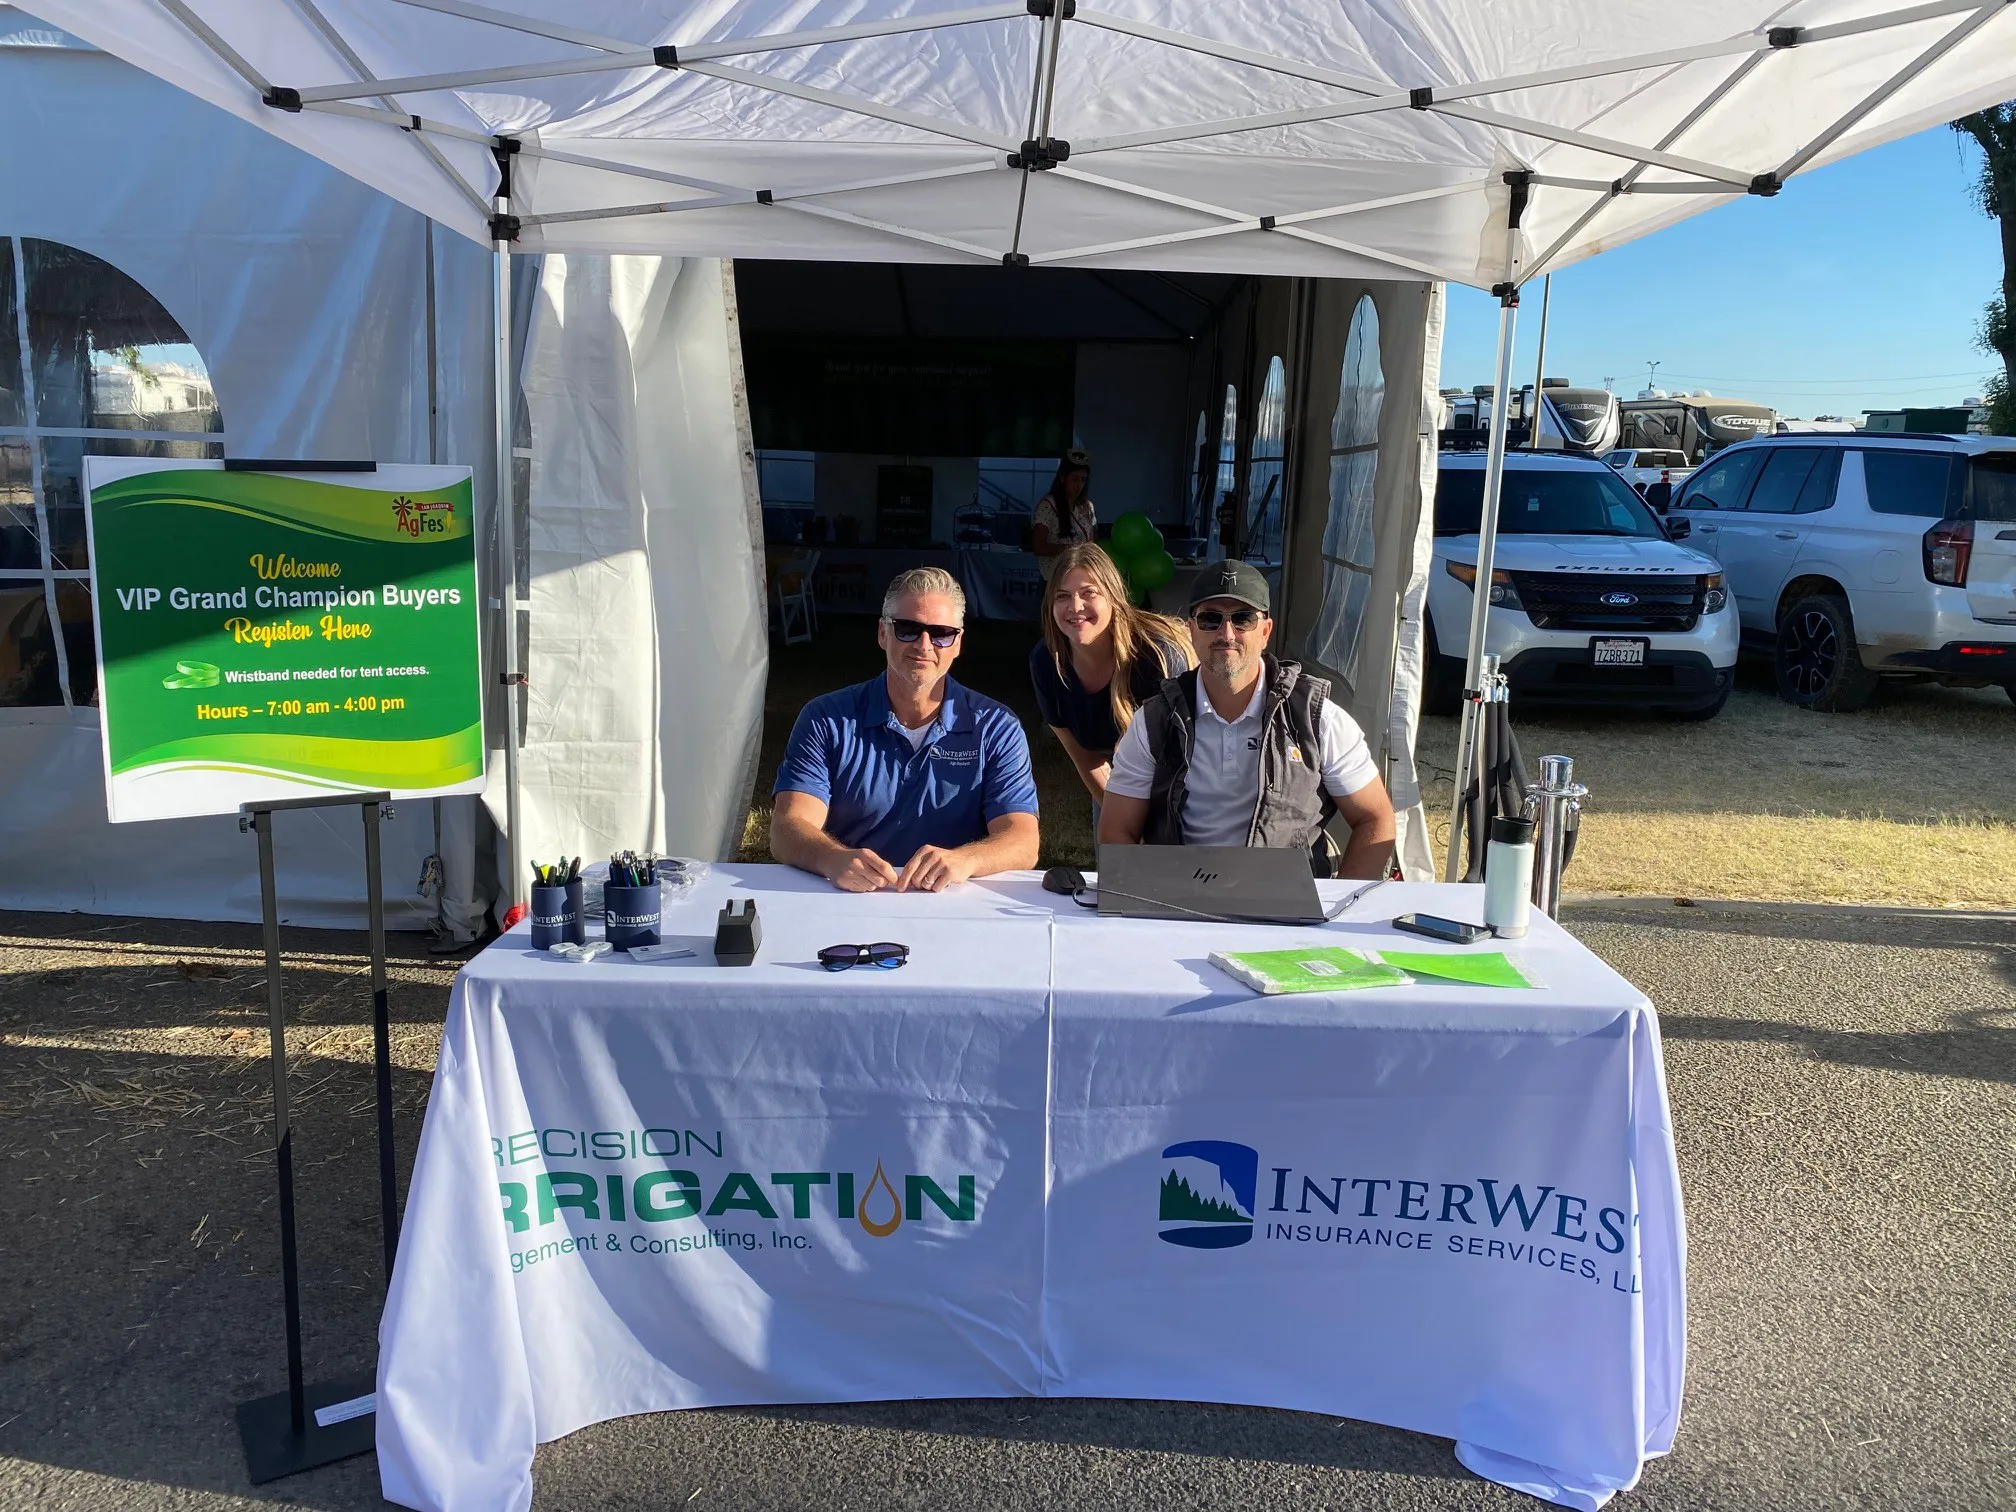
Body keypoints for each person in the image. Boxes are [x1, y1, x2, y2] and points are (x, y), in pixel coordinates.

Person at [1099, 560, 1396, 879]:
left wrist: (1342, 902)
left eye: (1243, 619)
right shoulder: (1154, 721)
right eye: (1210, 619)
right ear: (1191, 630)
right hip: (1181, 898)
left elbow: (1376, 819)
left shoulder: (1316, 717)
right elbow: (1116, 830)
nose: (1226, 634)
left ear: (1265, 632)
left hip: (1286, 901)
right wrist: (1150, 897)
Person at [771, 567, 1041, 892]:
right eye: (908, 629)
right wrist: (832, 858)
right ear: (883, 633)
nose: (924, 644)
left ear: (957, 643)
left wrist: (965, 860)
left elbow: (1023, 840)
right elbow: (787, 827)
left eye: (941, 633)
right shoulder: (826, 718)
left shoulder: (997, 727)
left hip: (953, 900)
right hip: (849, 897)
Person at [1028, 542, 1192, 818]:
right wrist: (1121, 820)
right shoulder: (1047, 660)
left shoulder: (1158, 657)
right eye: (1062, 596)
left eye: (1088, 593)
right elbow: (1085, 758)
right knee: (1113, 841)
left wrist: (1151, 830)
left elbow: (1178, 760)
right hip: (1116, 777)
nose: (1075, 606)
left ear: (1113, 597)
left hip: (1180, 783)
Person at [1030, 447, 1095, 583]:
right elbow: (1039, 546)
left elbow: (1092, 542)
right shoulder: (1048, 506)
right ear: (1063, 477)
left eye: (1083, 480)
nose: (1079, 485)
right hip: (1055, 580)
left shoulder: (1087, 507)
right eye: (1075, 479)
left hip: (1080, 578)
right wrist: (1073, 551)